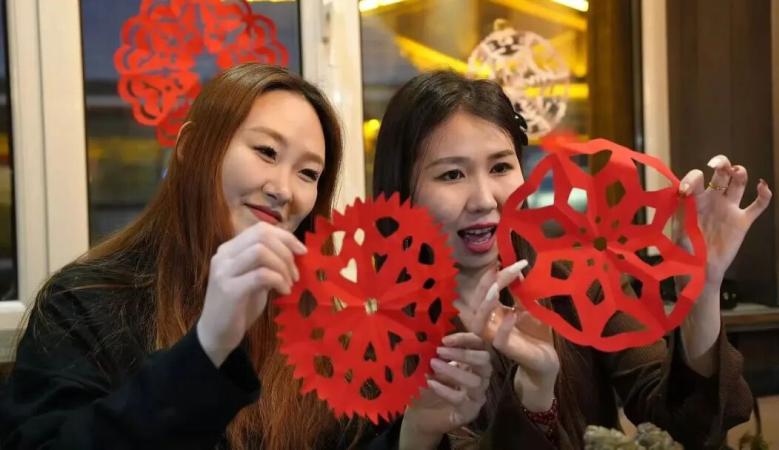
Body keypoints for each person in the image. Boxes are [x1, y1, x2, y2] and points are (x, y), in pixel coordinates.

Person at [0, 63, 492, 450]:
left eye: (308, 173)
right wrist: (207, 346)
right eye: (266, 152)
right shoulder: (85, 300)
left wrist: (417, 430)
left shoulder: (323, 321)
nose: (283, 189)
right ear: (191, 147)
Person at [373, 70, 772, 449]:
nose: (484, 199)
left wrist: (701, 288)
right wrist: (533, 399)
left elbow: (692, 423)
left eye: (500, 167)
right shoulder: (371, 337)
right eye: (451, 175)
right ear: (403, 192)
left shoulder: (583, 282)